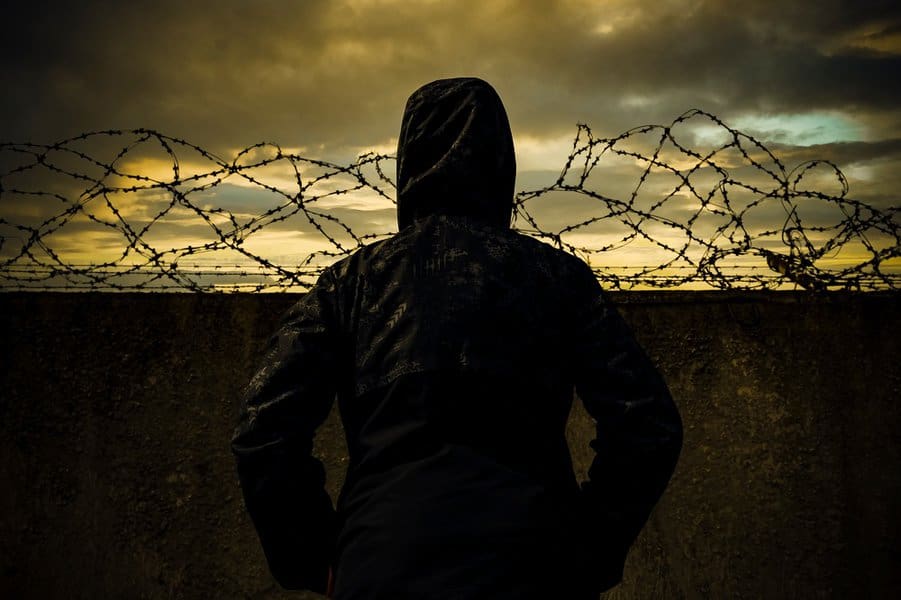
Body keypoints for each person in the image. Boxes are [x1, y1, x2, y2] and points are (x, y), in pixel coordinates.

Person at [231, 77, 683, 599]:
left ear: (407, 164)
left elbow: (263, 428)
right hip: (531, 564)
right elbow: (647, 424)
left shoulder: (351, 284)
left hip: (384, 562)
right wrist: (588, 552)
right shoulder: (557, 279)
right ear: (501, 161)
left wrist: (312, 558)